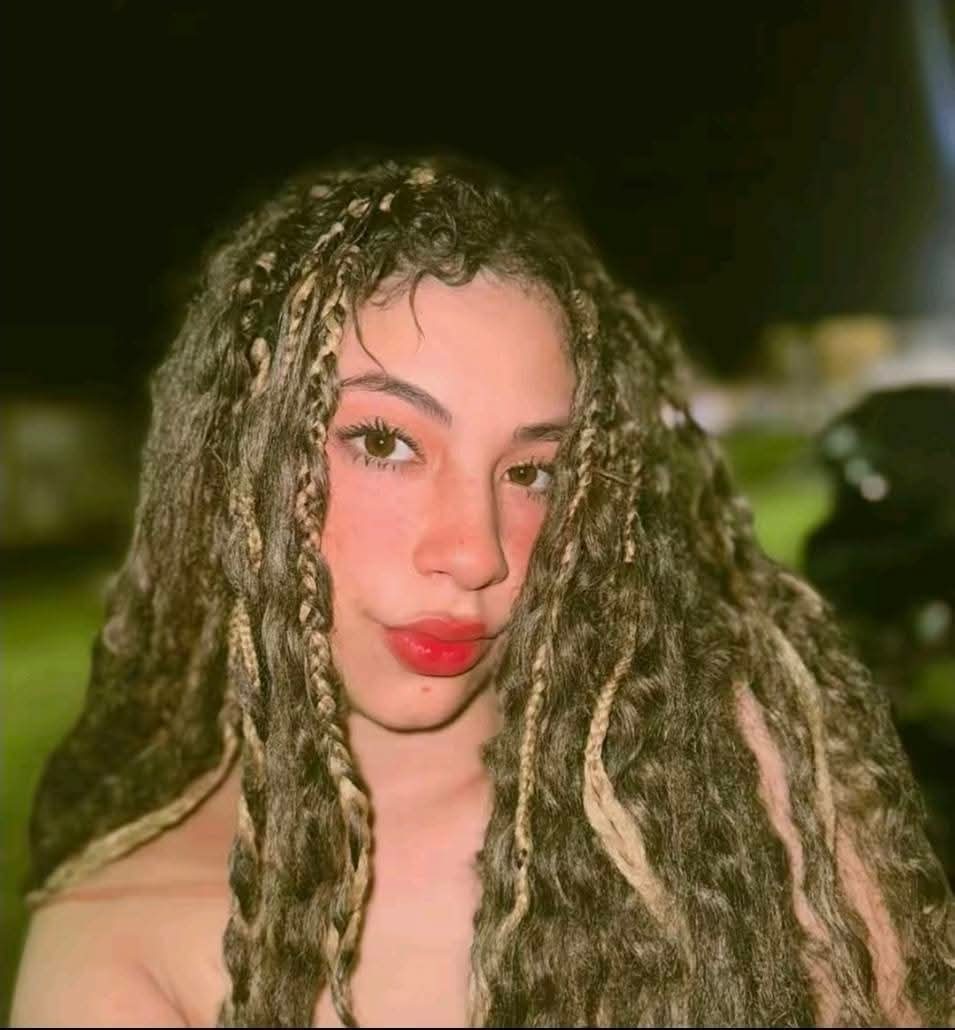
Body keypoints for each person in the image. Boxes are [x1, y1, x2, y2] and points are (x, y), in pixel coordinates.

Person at [10, 155, 955, 1028]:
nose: (475, 554)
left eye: (532, 471)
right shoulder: (120, 942)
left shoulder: (737, 780)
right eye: (385, 443)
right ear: (235, 463)